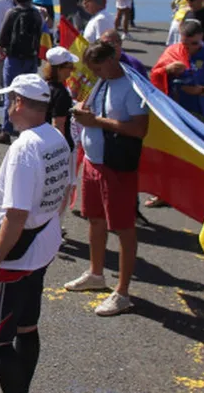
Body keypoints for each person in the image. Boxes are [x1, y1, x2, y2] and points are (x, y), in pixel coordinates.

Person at [0, 73, 76, 392]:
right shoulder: (56, 137)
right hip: (43, 242)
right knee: (27, 325)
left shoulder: (25, 148)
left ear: (19, 103)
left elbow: (16, 215)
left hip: (15, 253)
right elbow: (65, 191)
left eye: (10, 100)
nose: (8, 107)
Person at [65, 41, 149, 316]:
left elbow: (139, 128)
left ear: (113, 60)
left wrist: (96, 123)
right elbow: (93, 111)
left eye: (99, 67)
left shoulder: (130, 86)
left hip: (116, 166)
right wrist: (81, 109)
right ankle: (96, 273)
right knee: (95, 220)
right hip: (93, 163)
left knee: (123, 228)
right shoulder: (102, 81)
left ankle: (123, 292)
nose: (96, 73)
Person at [151, 20, 204, 126]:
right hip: (171, 108)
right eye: (185, 44)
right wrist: (167, 69)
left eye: (194, 43)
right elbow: (154, 75)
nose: (190, 48)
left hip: (196, 113)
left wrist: (200, 90)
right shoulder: (172, 51)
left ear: (201, 36)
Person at [0, 0, 44, 144]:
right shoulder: (36, 14)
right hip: (31, 57)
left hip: (14, 58)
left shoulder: (13, 13)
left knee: (11, 93)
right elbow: (39, 35)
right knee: (29, 94)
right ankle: (27, 129)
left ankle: (6, 130)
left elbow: (2, 39)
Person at [43, 46, 78, 148]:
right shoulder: (61, 94)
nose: (72, 71)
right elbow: (58, 125)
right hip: (58, 147)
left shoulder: (43, 85)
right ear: (59, 69)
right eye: (70, 67)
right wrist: (59, 152)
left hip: (44, 140)